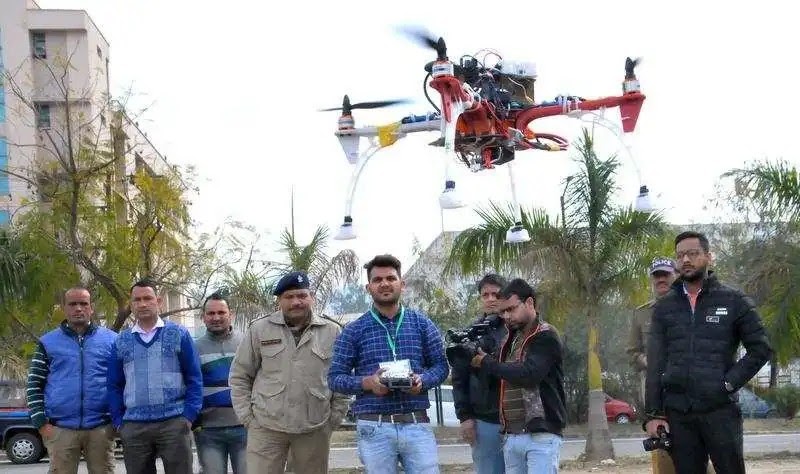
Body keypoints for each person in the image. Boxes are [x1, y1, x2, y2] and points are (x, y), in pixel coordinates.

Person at [645, 231, 773, 474]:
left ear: (708, 257)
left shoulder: (734, 300)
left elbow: (761, 348)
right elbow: (655, 363)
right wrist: (653, 414)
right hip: (679, 414)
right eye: (680, 255)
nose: (686, 260)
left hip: (720, 411)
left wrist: (728, 383)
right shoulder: (664, 307)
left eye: (693, 254)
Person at [328, 254, 450, 473]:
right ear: (368, 288)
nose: (384, 283)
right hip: (374, 426)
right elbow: (335, 378)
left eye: (391, 278)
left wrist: (422, 381)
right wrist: (367, 383)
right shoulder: (353, 330)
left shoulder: (422, 324)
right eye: (377, 280)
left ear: (402, 284)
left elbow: (441, 366)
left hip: (416, 423)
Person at [229, 270, 350, 474]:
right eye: (289, 297)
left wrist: (334, 418)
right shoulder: (260, 329)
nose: (296, 302)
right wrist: (248, 418)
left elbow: (342, 377)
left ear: (312, 297)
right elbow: (240, 375)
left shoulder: (332, 331)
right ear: (279, 301)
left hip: (314, 428)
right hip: (266, 428)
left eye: (302, 295)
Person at [470, 278, 566, 474]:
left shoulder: (545, 335)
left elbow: (529, 374)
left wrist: (487, 362)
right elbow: (497, 374)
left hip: (540, 434)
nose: (507, 316)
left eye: (511, 309)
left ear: (529, 303)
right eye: (503, 311)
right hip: (512, 434)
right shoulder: (510, 339)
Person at [107, 279, 204, 474]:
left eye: (147, 298)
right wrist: (118, 420)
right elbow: (114, 384)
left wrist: (188, 415)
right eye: (137, 300)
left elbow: (194, 377)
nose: (142, 304)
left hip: (174, 422)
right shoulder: (121, 340)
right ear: (131, 304)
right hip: (134, 426)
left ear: (158, 301)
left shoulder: (179, 334)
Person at [26, 287, 117, 474]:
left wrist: (116, 420)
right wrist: (41, 423)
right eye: (72, 304)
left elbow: (121, 382)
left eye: (83, 304)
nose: (78, 308)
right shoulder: (48, 342)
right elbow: (34, 384)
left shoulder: (112, 340)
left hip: (101, 428)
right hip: (60, 429)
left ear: (91, 308)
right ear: (64, 308)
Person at [626, 257, 684, 474]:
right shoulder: (642, 313)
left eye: (666, 275)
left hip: (687, 388)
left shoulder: (690, 307)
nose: (661, 279)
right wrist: (650, 363)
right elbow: (632, 352)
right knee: (663, 453)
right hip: (657, 394)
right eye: (656, 276)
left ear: (676, 276)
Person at [449, 273, 508, 474]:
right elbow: (459, 380)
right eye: (485, 295)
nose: (491, 299)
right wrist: (464, 417)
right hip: (485, 421)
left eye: (496, 294)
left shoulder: (518, 329)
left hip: (520, 422)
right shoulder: (469, 335)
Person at [194, 292, 246, 474]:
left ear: (231, 314)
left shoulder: (246, 343)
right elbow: (190, 385)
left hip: (245, 427)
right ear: (203, 317)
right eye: (211, 313)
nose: (216, 317)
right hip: (208, 430)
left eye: (221, 312)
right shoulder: (194, 347)